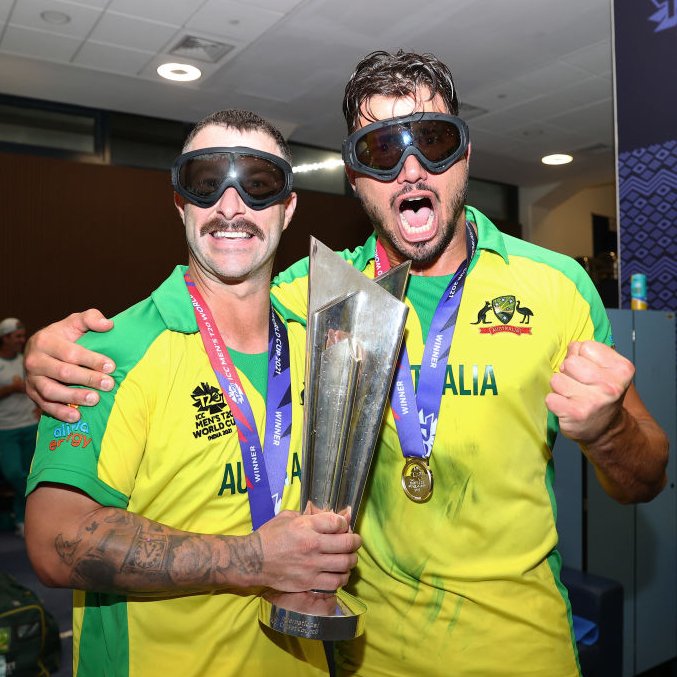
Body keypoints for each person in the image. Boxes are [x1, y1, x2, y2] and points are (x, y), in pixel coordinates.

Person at [23, 51, 669, 677]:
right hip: (361, 653)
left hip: (521, 650)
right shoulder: (318, 296)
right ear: (355, 179)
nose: (411, 170)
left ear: (464, 157)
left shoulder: (554, 285)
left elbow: (644, 476)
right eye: (382, 152)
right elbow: (219, 290)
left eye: (434, 140)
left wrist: (608, 429)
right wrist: (51, 350)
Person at [23, 109, 361, 677]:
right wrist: (254, 560)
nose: (231, 206)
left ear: (288, 207)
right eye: (207, 183)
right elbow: (54, 539)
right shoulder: (115, 349)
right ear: (181, 204)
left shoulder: (322, 344)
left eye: (258, 184)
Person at [0, 317, 39, 537]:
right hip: (6, 429)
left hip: (29, 426)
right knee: (15, 473)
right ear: (4, 338)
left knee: (29, 474)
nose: (21, 340)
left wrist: (38, 408)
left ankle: (22, 518)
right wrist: (11, 389)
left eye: (23, 336)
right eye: (17, 336)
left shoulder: (26, 360)